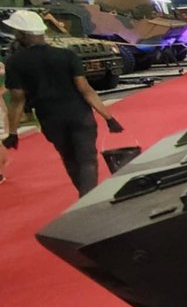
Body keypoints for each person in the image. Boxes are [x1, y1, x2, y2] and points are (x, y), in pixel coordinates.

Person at [2, 10, 124, 196]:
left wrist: (12, 132)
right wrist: (109, 118)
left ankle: (84, 198)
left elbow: (17, 100)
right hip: (79, 114)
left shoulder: (14, 63)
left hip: (50, 118)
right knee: (87, 159)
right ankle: (88, 199)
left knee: (69, 159)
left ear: (20, 34)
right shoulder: (66, 55)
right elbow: (85, 89)